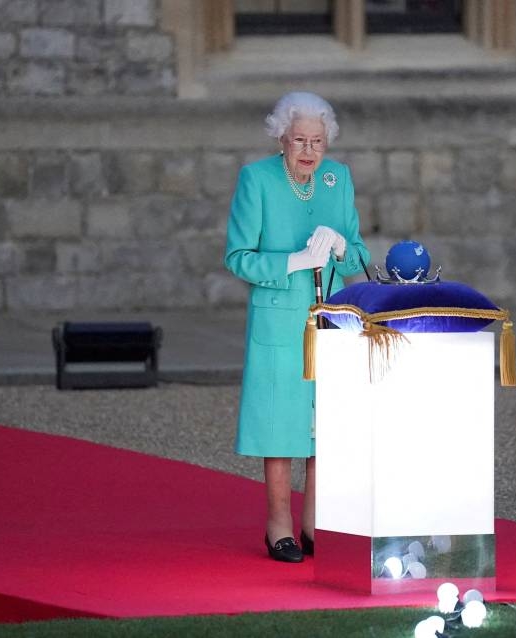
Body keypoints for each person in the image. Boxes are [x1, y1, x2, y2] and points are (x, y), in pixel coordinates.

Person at [224, 91, 371, 563]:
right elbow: (238, 257)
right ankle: (279, 526)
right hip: (278, 320)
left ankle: (316, 523)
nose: (309, 152)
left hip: (331, 319)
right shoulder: (257, 179)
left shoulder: (337, 178)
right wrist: (294, 260)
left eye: (318, 142)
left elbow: (361, 254)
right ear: (281, 139)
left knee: (323, 424)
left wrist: (342, 249)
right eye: (299, 140)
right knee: (280, 422)